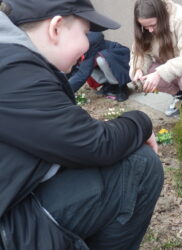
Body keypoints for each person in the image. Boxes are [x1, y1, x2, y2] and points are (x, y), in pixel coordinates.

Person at [0, 0, 163, 249]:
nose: (88, 44)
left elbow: (66, 135)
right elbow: (96, 145)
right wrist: (142, 121)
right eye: (85, 33)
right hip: (9, 228)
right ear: (56, 28)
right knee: (140, 165)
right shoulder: (14, 69)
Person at [68, 32, 131, 102]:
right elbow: (71, 69)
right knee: (83, 63)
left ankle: (121, 86)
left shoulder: (90, 43)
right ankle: (109, 84)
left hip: (119, 59)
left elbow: (83, 73)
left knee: (100, 60)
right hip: (108, 61)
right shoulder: (74, 46)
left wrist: (65, 91)